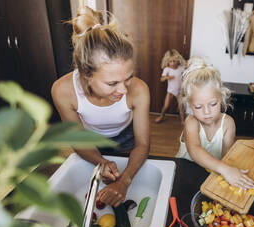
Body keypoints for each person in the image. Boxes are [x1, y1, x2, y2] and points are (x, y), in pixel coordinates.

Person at [51, 4, 150, 207]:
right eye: (112, 83)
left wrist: (125, 180)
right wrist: (101, 162)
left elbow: (142, 144)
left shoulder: (139, 90)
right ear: (87, 75)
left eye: (128, 77)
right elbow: (78, 141)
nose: (123, 90)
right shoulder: (62, 90)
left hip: (127, 138)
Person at [176, 58, 254, 190]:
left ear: (221, 98)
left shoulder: (228, 123)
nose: (207, 112)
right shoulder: (191, 122)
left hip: (213, 175)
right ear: (190, 105)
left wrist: (231, 172)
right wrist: (225, 169)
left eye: (213, 104)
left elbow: (228, 157)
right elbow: (195, 150)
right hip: (185, 172)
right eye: (198, 107)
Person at [155, 49, 186, 124]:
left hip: (179, 91)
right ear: (167, 61)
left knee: (181, 107)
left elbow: (186, 74)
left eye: (174, 61)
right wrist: (167, 77)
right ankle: (162, 116)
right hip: (170, 91)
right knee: (166, 106)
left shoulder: (181, 68)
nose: (172, 63)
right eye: (170, 61)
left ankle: (182, 120)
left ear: (177, 60)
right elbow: (161, 79)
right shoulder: (167, 69)